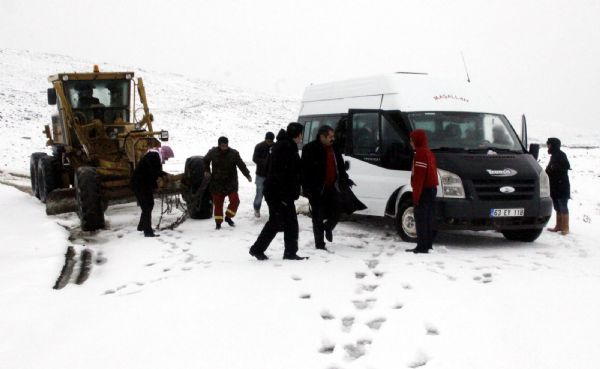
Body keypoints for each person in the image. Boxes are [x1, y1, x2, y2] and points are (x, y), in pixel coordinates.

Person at [249, 123, 307, 260]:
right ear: (297, 134)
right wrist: (282, 194)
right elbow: (281, 173)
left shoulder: (284, 145)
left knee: (280, 222)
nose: (302, 137)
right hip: (279, 192)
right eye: (301, 134)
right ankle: (287, 252)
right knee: (283, 222)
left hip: (278, 191)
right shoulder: (284, 147)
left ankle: (264, 250)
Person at [301, 125, 353, 251]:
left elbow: (340, 165)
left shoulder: (334, 147)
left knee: (338, 208)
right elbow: (303, 171)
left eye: (333, 136)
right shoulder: (310, 149)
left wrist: (345, 178)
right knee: (317, 216)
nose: (332, 139)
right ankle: (319, 244)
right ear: (322, 136)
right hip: (317, 189)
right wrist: (307, 189)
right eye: (330, 136)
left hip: (332, 186)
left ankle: (328, 227)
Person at [203, 136, 252, 229]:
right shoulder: (212, 152)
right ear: (219, 145)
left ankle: (228, 217)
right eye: (223, 145)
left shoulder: (234, 153)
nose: (225, 147)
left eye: (226, 145)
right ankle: (218, 223)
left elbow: (241, 165)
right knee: (218, 205)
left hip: (231, 183)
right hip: (217, 183)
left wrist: (247, 175)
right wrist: (207, 170)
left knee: (235, 201)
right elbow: (205, 161)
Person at [406, 129, 438, 254]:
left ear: (417, 140)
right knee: (428, 218)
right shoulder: (428, 152)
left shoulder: (420, 153)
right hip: (431, 189)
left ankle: (422, 246)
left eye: (411, 140)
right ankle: (427, 244)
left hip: (424, 190)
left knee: (420, 218)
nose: (410, 143)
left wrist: (416, 196)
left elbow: (419, 177)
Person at [130, 146, 174, 237]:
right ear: (164, 153)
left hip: (141, 183)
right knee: (147, 205)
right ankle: (148, 232)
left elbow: (155, 171)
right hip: (140, 184)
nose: (166, 159)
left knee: (147, 205)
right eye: (167, 157)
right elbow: (153, 173)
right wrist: (157, 186)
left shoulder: (154, 155)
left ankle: (142, 226)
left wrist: (164, 174)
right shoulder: (154, 156)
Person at [546, 137, 571, 235]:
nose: (548, 146)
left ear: (553, 145)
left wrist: (553, 168)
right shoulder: (553, 156)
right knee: (557, 206)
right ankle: (558, 226)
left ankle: (565, 227)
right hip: (555, 186)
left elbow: (566, 166)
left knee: (563, 206)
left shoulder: (561, 155)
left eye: (549, 144)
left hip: (562, 186)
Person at [252, 131, 275, 217]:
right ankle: (257, 208)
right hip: (260, 175)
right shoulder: (259, 146)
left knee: (272, 194)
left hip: (271, 175)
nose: (269, 142)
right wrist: (265, 162)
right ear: (265, 139)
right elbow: (254, 158)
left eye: (271, 141)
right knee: (259, 193)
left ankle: (273, 211)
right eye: (268, 140)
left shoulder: (275, 146)